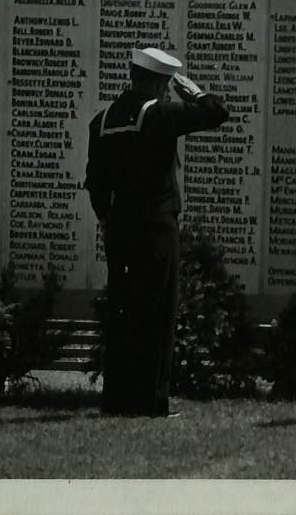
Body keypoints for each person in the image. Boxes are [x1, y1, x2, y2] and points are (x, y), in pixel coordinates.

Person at [85, 47, 229, 417]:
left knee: (122, 313)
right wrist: (194, 92)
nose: (166, 92)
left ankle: (116, 401)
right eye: (165, 85)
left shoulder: (102, 121)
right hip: (156, 230)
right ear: (158, 84)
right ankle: (151, 402)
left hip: (119, 230)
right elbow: (217, 112)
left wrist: (107, 218)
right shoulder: (157, 115)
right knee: (156, 314)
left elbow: (95, 181)